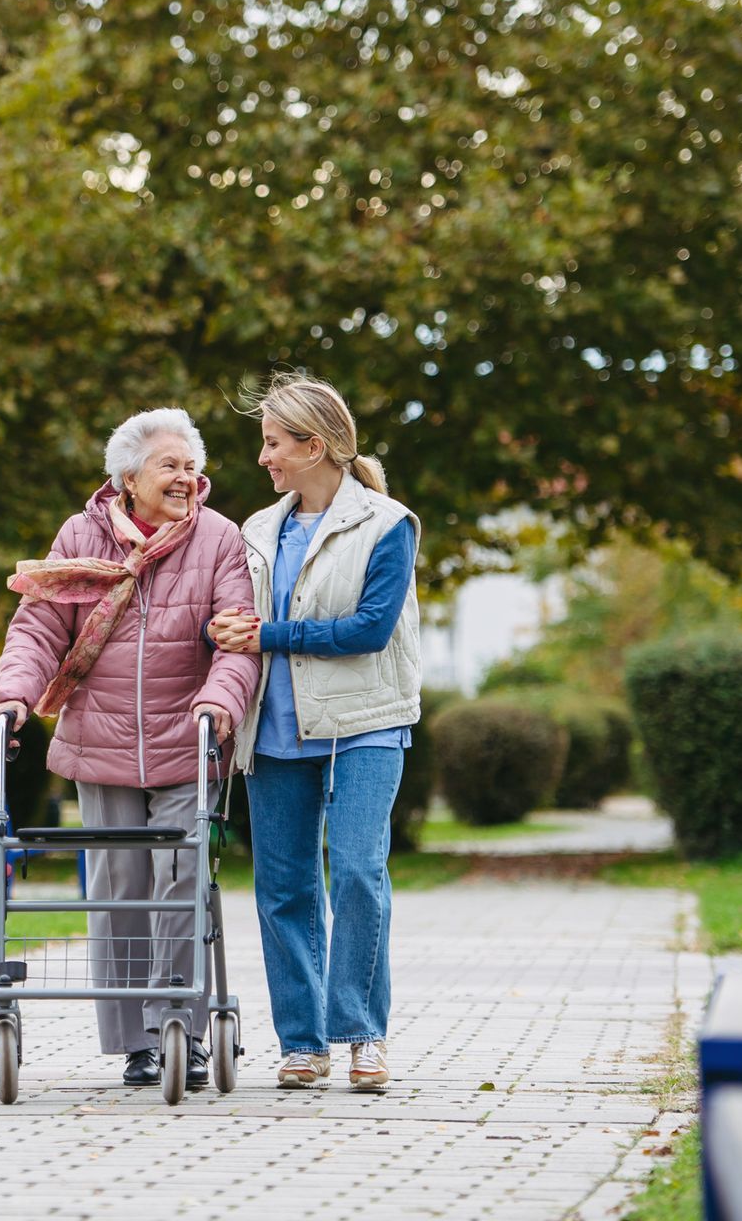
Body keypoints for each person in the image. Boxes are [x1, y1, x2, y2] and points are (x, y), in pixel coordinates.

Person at [0, 408, 260, 1090]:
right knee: (119, 891)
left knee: (183, 881)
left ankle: (181, 1029)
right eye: (170, 466)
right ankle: (138, 1042)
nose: (185, 479)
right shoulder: (83, 536)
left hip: (187, 739)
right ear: (127, 478)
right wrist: (14, 693)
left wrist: (220, 703)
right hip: (99, 740)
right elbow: (39, 625)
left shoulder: (219, 540)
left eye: (192, 468)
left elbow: (237, 642)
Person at [208, 371, 421, 1092]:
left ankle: (362, 1033)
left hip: (366, 720)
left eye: (273, 444)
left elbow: (369, 629)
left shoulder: (389, 524)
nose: (263, 459)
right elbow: (239, 618)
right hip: (277, 725)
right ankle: (303, 1043)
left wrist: (265, 634)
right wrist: (226, 628)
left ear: (316, 445)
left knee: (359, 870)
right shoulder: (256, 531)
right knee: (285, 888)